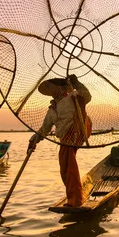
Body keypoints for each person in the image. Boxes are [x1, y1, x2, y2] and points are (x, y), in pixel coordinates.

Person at [28, 74, 92, 207]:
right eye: (50, 90)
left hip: (78, 130)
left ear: (62, 88)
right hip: (65, 138)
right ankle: (74, 195)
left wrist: (76, 83)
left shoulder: (72, 97)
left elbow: (87, 96)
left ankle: (75, 201)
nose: (52, 92)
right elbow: (44, 129)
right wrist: (34, 140)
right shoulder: (52, 109)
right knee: (64, 169)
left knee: (69, 167)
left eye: (54, 88)